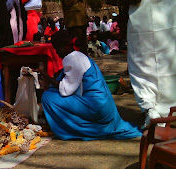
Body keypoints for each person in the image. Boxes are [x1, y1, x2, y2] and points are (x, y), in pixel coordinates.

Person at [37, 30, 142, 140]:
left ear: (63, 47)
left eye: (57, 49)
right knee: (52, 91)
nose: (57, 53)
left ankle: (71, 129)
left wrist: (45, 75)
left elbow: (65, 90)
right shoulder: (79, 56)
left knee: (48, 97)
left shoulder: (71, 58)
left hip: (96, 107)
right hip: (104, 105)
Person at [127, 0, 176, 129]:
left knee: (142, 63)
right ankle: (169, 110)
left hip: (142, 16)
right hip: (168, 14)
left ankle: (150, 109)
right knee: (169, 60)